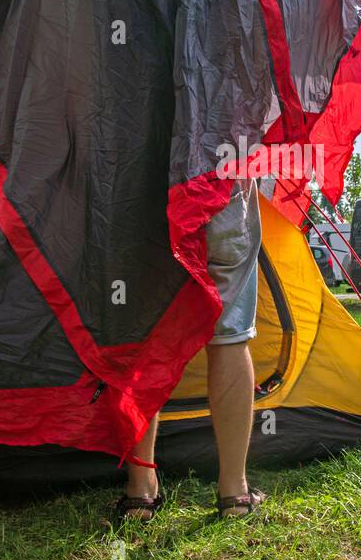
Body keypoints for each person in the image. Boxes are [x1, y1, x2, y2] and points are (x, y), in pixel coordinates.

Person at [114, 177, 266, 522]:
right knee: (229, 335)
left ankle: (140, 492)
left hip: (143, 187)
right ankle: (234, 493)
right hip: (219, 182)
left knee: (145, 337)